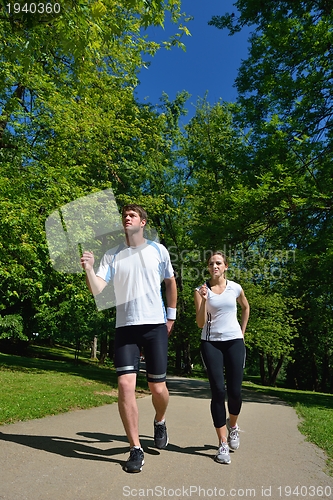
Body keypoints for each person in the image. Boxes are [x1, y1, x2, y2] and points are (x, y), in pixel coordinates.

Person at [81, 204, 177, 473]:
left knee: (158, 388)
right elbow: (99, 288)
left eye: (132, 215)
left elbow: (170, 282)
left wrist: (171, 317)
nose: (127, 218)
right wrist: (89, 268)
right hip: (125, 328)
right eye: (124, 216)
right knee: (125, 385)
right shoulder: (112, 255)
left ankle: (159, 419)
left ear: (143, 222)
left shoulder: (158, 250)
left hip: (155, 325)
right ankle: (136, 448)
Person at [194, 251, 250, 465]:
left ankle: (233, 426)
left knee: (235, 392)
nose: (214, 266)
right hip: (211, 343)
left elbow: (246, 307)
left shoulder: (235, 287)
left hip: (235, 341)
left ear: (226, 266)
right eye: (211, 263)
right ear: (208, 267)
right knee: (218, 391)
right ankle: (222, 443)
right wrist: (204, 301)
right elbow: (200, 323)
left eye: (218, 263)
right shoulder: (201, 290)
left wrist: (242, 333)